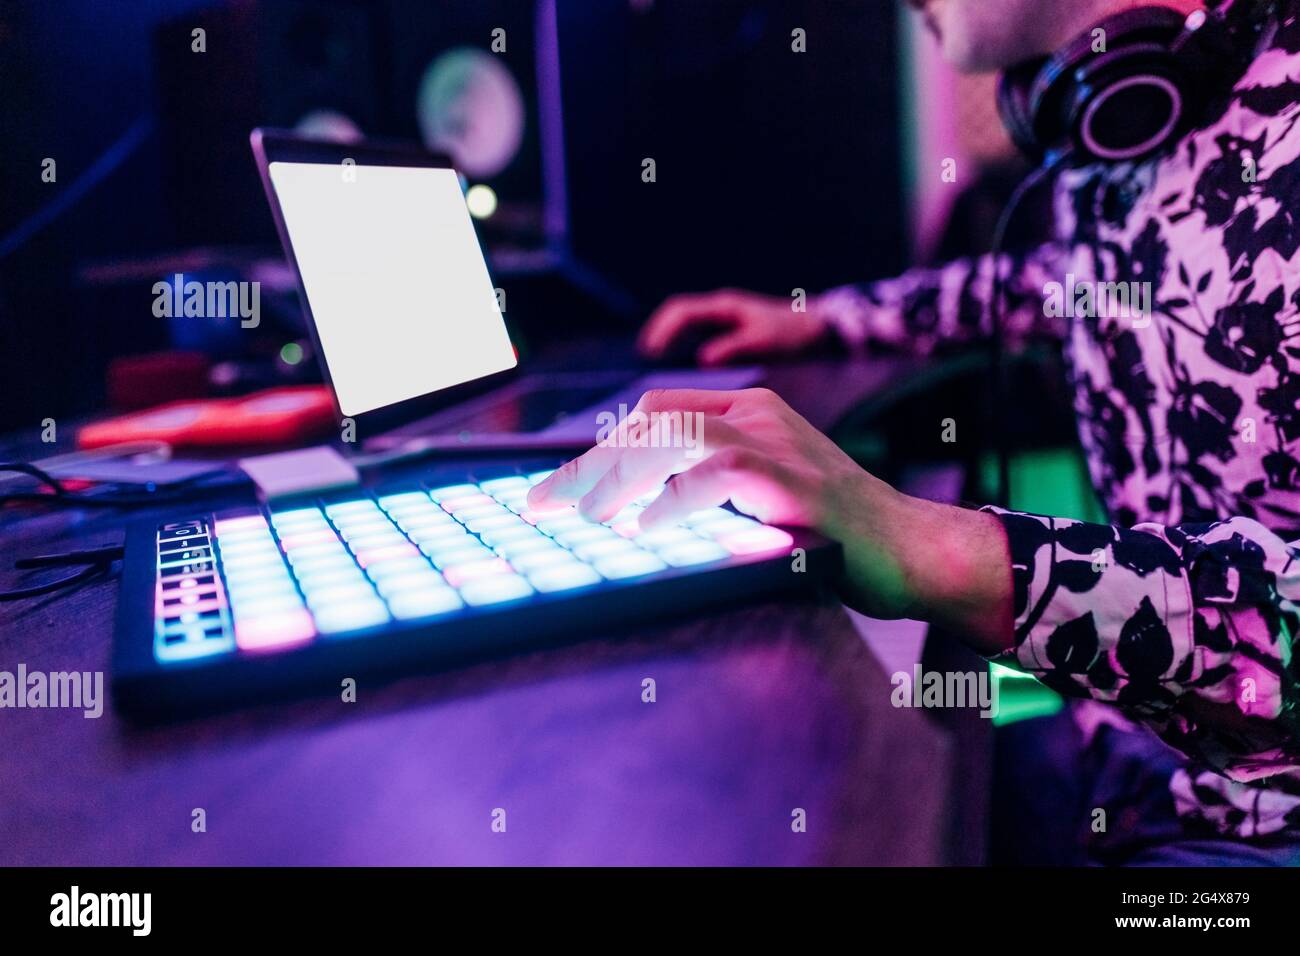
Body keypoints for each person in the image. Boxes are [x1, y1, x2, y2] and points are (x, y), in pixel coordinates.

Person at [528, 0, 1300, 864]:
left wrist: (939, 547)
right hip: (1128, 755)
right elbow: (1078, 281)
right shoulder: (1142, 106)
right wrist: (824, 321)